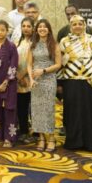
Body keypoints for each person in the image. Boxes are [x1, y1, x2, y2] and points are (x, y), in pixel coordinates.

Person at [59, 15, 92, 152]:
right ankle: (74, 142)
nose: (77, 26)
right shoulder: (64, 42)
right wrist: (59, 84)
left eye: (80, 24)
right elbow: (60, 64)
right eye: (74, 24)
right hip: (71, 82)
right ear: (70, 26)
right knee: (73, 112)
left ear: (84, 25)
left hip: (91, 82)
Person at [28, 19, 62, 152]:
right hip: (36, 81)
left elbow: (58, 64)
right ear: (36, 30)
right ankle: (41, 138)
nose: (42, 29)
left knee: (48, 109)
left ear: (49, 30)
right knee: (37, 110)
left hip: (49, 79)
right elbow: (29, 64)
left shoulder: (54, 44)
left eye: (45, 27)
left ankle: (51, 138)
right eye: (40, 27)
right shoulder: (33, 45)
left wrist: (43, 70)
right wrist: (31, 79)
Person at [14, 17, 35, 144]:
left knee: (33, 107)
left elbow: (33, 62)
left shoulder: (36, 43)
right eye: (24, 26)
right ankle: (23, 131)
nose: (26, 29)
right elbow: (11, 60)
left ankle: (36, 132)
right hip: (18, 79)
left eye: (28, 26)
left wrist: (23, 76)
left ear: (33, 28)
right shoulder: (17, 42)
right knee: (21, 107)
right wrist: (18, 76)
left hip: (31, 78)